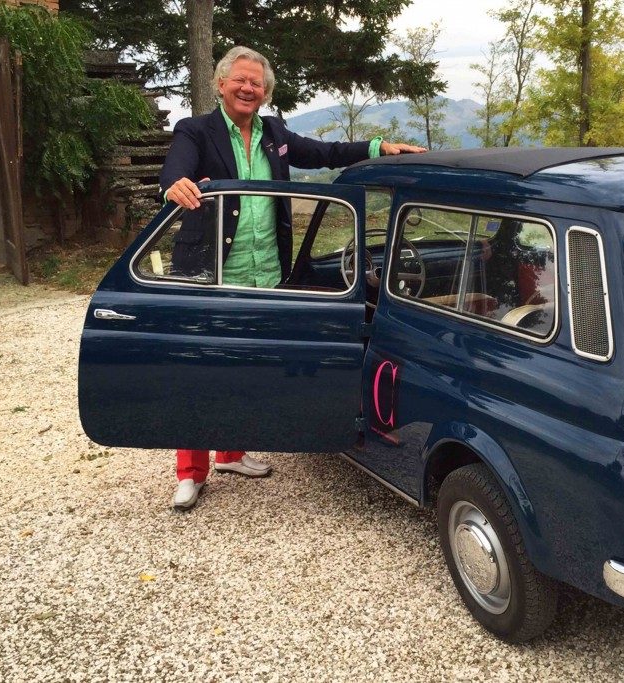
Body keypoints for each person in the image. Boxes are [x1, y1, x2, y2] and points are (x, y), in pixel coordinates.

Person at [161, 45, 426, 511]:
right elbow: (176, 168)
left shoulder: (273, 132)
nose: (248, 88)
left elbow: (323, 152)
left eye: (256, 83)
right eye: (240, 80)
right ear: (220, 85)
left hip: (267, 271)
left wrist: (377, 148)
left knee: (250, 363)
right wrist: (174, 183)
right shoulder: (195, 130)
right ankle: (190, 471)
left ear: (265, 92)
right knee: (201, 367)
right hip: (211, 271)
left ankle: (231, 452)